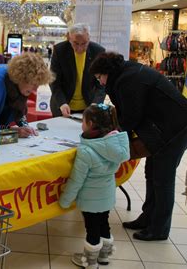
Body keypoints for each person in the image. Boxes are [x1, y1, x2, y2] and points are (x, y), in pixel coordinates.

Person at [90, 52, 187, 241]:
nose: (100, 82)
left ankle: (159, 228)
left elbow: (131, 117)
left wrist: (113, 138)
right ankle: (148, 217)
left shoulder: (128, 80)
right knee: (152, 172)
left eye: (100, 77)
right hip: (165, 125)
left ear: (107, 72)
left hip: (178, 126)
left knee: (163, 177)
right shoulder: (124, 75)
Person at [59, 103, 129, 268]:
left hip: (90, 200)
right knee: (104, 223)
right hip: (107, 196)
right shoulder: (114, 147)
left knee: (92, 230)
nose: (81, 124)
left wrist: (65, 200)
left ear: (90, 124)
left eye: (82, 121)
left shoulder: (86, 150)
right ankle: (104, 256)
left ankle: (90, 262)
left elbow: (77, 180)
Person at [0, 53, 54, 137]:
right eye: (33, 84)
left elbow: (19, 108)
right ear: (21, 78)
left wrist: (24, 125)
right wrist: (12, 131)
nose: (35, 89)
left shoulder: (20, 85)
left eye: (38, 84)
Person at [50, 23, 105, 117]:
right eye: (75, 43)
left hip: (89, 107)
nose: (80, 48)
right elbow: (54, 80)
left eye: (84, 44)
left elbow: (102, 84)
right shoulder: (60, 50)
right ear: (69, 38)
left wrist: (96, 104)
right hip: (62, 106)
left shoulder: (98, 51)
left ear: (89, 38)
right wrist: (62, 103)